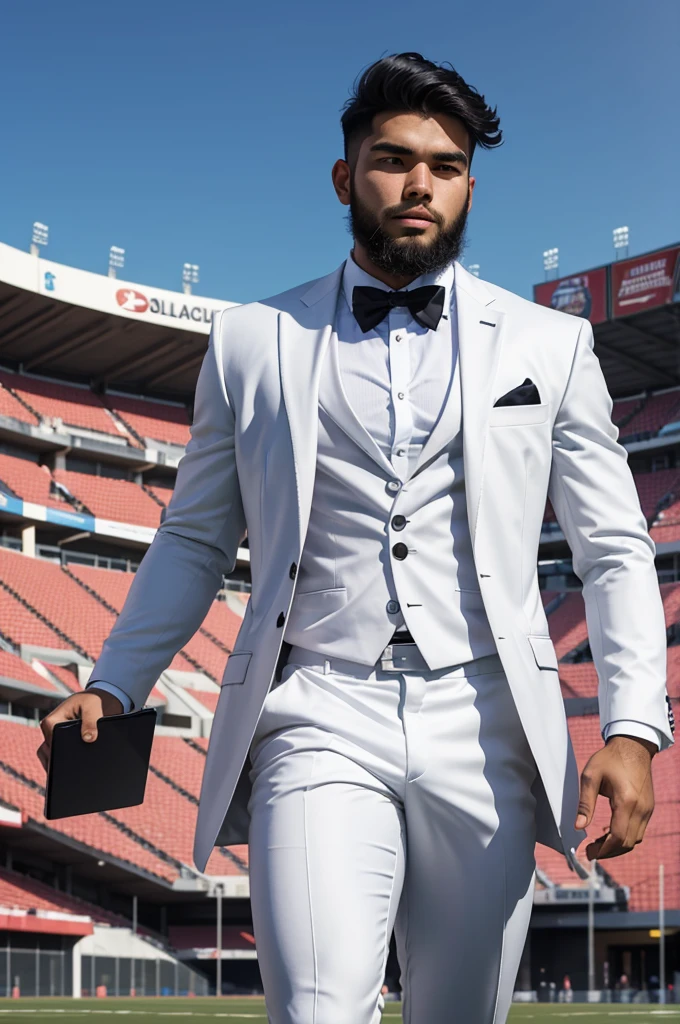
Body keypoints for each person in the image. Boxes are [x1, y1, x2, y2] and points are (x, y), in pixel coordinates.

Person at [37, 52, 673, 1024]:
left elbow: (614, 544)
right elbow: (196, 538)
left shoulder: (550, 345)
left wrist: (630, 723)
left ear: (467, 184)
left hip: (486, 721)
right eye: (393, 158)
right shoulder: (252, 340)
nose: (419, 183)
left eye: (446, 164)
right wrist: (115, 678)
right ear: (345, 177)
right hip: (316, 709)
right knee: (318, 1009)